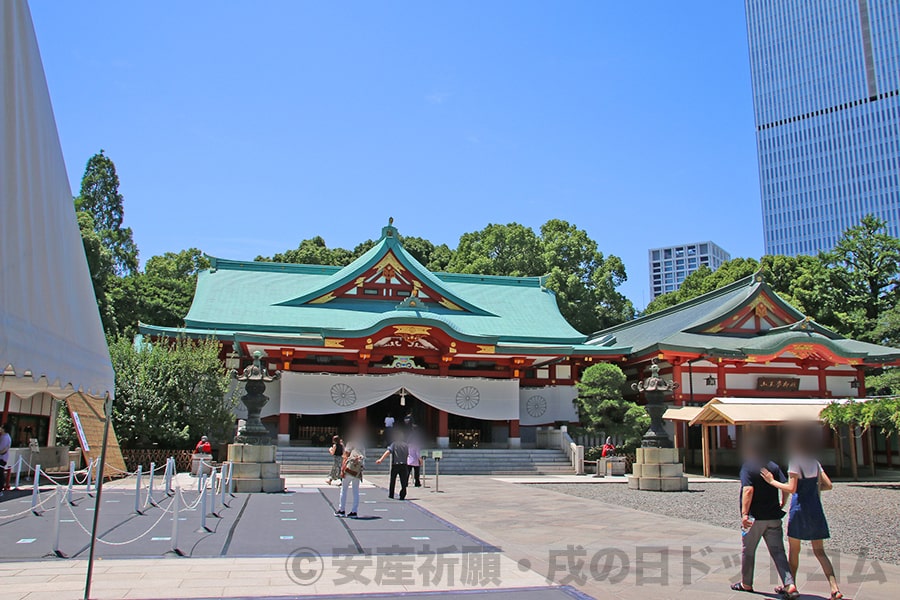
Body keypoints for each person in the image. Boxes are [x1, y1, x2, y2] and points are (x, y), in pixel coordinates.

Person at [761, 428, 842, 600]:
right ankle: (834, 588)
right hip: (815, 509)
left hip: (799, 510)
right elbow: (828, 485)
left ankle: (791, 585)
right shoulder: (815, 462)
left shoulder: (795, 462)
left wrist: (772, 481)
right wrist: (812, 488)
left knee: (794, 551)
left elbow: (792, 488)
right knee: (820, 552)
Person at [731, 438, 798, 598]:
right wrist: (783, 502)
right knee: (779, 552)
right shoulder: (773, 466)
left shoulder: (748, 467)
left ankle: (746, 583)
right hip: (773, 516)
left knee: (748, 551)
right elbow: (785, 485)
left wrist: (745, 514)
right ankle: (790, 584)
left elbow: (748, 490)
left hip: (755, 517)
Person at [336, 426, 365, 519]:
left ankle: (342, 510)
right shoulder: (362, 446)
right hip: (357, 471)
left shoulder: (350, 443)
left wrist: (342, 470)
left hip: (349, 470)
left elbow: (345, 456)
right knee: (355, 491)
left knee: (344, 490)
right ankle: (354, 511)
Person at [376, 429, 409, 499]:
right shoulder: (406, 445)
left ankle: (391, 494)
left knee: (393, 480)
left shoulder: (394, 444)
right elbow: (409, 454)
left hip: (395, 464)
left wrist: (381, 459)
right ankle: (403, 493)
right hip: (404, 464)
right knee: (403, 481)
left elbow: (388, 452)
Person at [0, 425, 11, 497]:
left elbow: (3, 450)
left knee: (0, 474)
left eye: (1, 427)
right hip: (3, 458)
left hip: (1, 458)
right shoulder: (4, 436)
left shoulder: (5, 437)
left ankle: (0, 489)